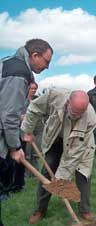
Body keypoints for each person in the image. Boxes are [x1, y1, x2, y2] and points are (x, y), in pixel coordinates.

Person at [21, 89, 96, 224]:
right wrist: (28, 130)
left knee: (83, 175)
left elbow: (74, 154)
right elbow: (34, 108)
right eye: (74, 113)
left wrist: (61, 177)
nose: (77, 117)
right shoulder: (54, 96)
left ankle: (85, 209)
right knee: (47, 171)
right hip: (55, 138)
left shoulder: (91, 119)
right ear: (68, 102)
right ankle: (40, 209)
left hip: (79, 145)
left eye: (81, 114)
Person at [0, 39, 52, 226]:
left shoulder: (9, 63)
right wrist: (15, 146)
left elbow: (11, 109)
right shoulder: (18, 71)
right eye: (46, 61)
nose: (47, 67)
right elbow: (8, 114)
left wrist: (21, 135)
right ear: (34, 55)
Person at [21, 82, 44, 177]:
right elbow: (21, 115)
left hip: (38, 128)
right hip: (26, 129)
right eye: (32, 88)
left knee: (36, 153)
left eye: (35, 89)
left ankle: (35, 174)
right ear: (27, 89)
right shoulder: (22, 100)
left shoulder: (37, 100)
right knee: (27, 153)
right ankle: (26, 174)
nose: (33, 90)